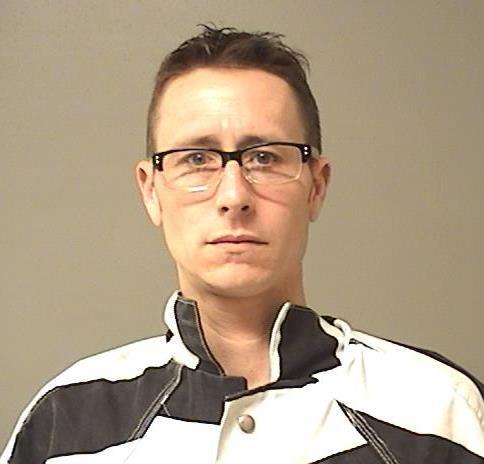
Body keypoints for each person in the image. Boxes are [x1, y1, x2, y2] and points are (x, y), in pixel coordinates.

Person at [1, 25, 483, 464]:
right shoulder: (65, 421)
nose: (234, 196)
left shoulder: (443, 413)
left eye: (265, 158)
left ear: (316, 186)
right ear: (151, 191)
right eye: (196, 159)